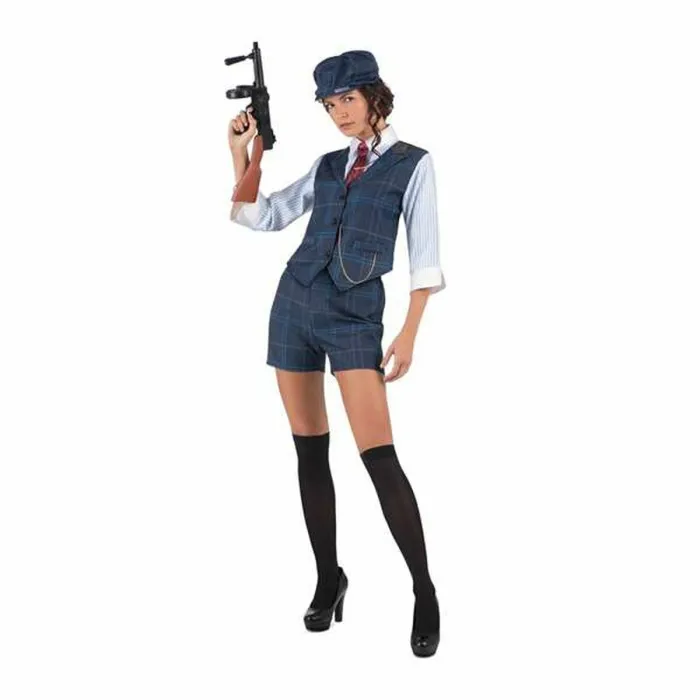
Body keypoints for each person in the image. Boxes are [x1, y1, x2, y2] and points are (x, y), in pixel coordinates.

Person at [227, 50, 445, 657]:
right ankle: (329, 578)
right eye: (329, 104)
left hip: (355, 317)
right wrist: (244, 154)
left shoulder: (413, 164)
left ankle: (424, 590)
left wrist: (408, 333)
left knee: (380, 457)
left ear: (375, 96)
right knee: (309, 452)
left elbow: (425, 258)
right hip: (294, 307)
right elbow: (259, 214)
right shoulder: (327, 166)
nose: (339, 113)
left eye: (347, 99)